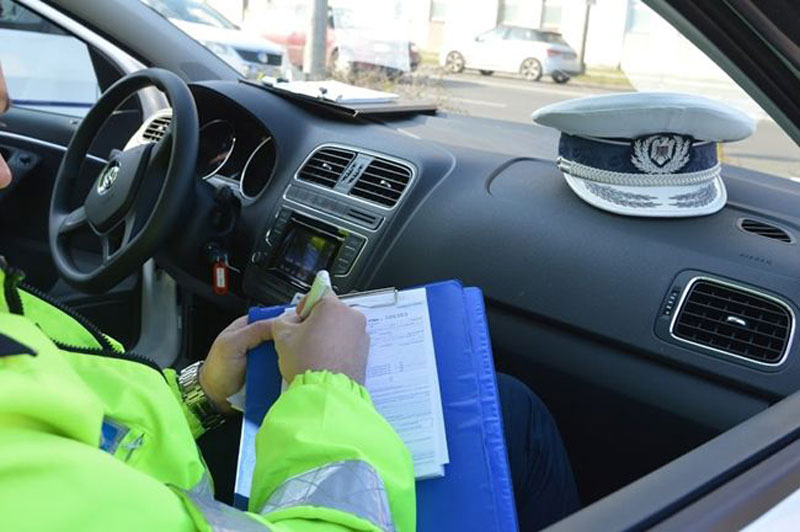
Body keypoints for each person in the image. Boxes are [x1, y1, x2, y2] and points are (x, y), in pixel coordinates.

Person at [0, 64, 578, 531]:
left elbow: (89, 413)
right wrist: (327, 386)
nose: (4, 175)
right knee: (512, 415)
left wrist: (200, 394)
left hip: (161, 480)